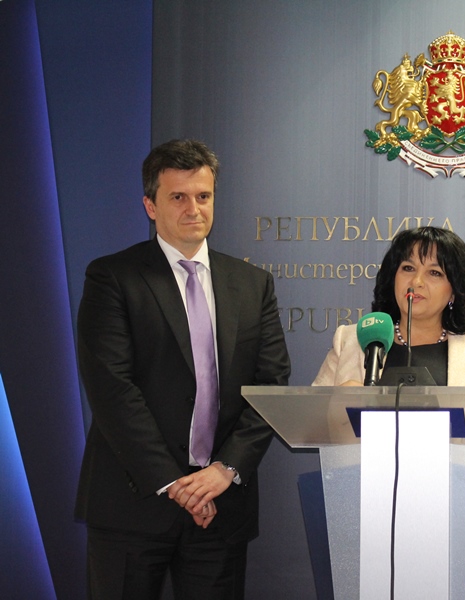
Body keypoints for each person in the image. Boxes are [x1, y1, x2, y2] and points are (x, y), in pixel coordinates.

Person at [75, 139, 291, 599]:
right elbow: (113, 390)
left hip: (221, 506)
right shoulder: (112, 278)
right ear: (150, 206)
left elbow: (271, 385)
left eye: (203, 196)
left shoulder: (252, 284)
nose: (194, 209)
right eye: (178, 197)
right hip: (132, 503)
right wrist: (175, 484)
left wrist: (225, 470)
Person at [312, 226, 465, 477]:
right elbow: (311, 423)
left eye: (434, 273)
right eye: (408, 268)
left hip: (458, 490)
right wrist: (337, 404)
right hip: (362, 488)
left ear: (454, 291)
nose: (416, 282)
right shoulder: (351, 340)